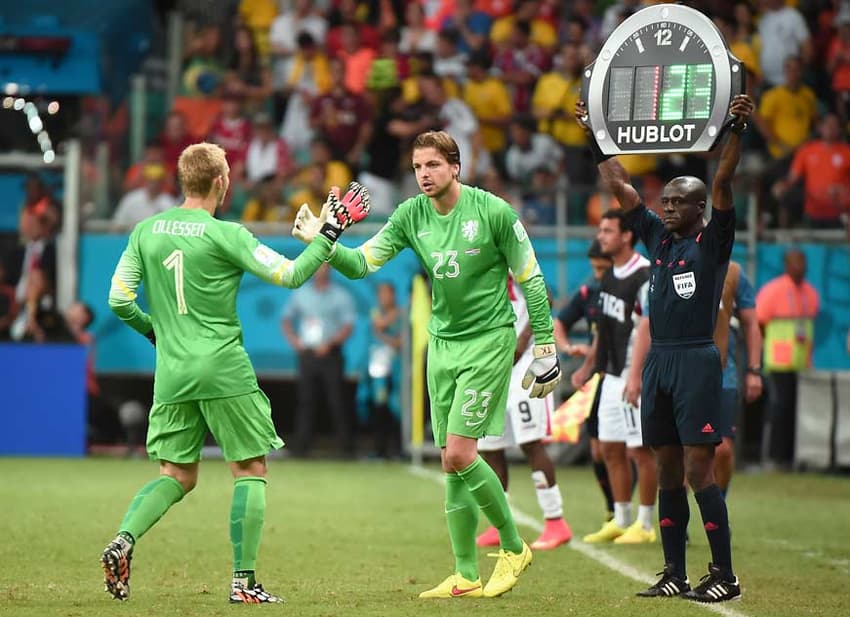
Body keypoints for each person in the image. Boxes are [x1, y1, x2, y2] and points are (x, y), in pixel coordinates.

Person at [291, 130, 560, 598]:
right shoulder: (410, 215)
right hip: (442, 343)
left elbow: (533, 281)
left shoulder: (493, 211)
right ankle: (466, 575)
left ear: (456, 167)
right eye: (417, 168)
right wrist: (325, 239)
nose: (424, 175)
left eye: (433, 165)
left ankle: (515, 547)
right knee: (449, 464)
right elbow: (361, 265)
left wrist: (544, 347)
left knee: (461, 453)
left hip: (489, 341)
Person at [101, 141, 369, 604]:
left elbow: (119, 299)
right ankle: (243, 583)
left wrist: (155, 334)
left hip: (172, 373)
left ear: (183, 180)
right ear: (221, 183)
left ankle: (124, 540)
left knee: (177, 475)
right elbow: (290, 275)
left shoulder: (144, 231)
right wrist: (330, 232)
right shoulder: (227, 234)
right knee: (250, 469)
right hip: (222, 367)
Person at [576, 93, 754, 603]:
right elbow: (618, 184)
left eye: (679, 202)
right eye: (666, 202)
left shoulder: (713, 243)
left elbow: (723, 179)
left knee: (699, 467)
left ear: (701, 209)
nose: (668, 207)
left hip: (697, 359)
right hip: (660, 363)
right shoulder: (657, 240)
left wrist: (737, 129)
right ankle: (674, 571)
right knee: (668, 467)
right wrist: (593, 135)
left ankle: (724, 574)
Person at [571, 210, 656, 545]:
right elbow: (602, 332)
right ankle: (621, 518)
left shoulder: (644, 275)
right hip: (610, 374)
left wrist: (636, 375)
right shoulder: (609, 276)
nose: (601, 236)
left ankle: (645, 524)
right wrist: (588, 366)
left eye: (607, 230)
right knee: (610, 447)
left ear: (626, 236)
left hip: (634, 374)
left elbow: (648, 326)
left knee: (641, 451)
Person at [476, 274, 573, 551]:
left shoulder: (510, 249)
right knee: (490, 446)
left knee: (531, 441)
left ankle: (555, 521)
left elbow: (546, 296)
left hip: (526, 363)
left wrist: (522, 340)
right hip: (491, 362)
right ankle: (499, 522)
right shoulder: (468, 256)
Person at [554, 240, 615, 523]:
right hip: (598, 376)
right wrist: (567, 348)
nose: (599, 274)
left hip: (626, 375)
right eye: (595, 268)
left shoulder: (634, 287)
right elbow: (559, 322)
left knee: (636, 452)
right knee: (599, 450)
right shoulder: (588, 291)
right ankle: (614, 510)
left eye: (604, 268)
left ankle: (641, 515)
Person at [281, 263, 357, 458]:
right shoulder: (301, 294)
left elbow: (348, 325)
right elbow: (286, 318)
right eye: (318, 268)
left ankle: (346, 448)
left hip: (331, 354)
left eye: (325, 268)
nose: (321, 272)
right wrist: (296, 342)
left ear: (329, 271)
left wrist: (331, 343)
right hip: (308, 354)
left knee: (337, 400)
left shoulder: (340, 295)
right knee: (306, 401)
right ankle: (301, 448)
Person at [755, 249, 820, 469]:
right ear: (786, 265)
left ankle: (792, 458)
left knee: (796, 412)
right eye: (795, 263)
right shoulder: (772, 291)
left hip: (801, 364)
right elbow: (759, 324)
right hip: (778, 363)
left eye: (802, 262)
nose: (800, 267)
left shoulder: (811, 294)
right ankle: (773, 458)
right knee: (778, 410)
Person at [712, 262, 763, 497]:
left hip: (723, 373)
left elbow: (752, 323)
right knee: (682, 450)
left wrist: (754, 370)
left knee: (722, 450)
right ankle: (680, 521)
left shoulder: (732, 272)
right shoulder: (671, 263)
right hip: (684, 373)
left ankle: (719, 508)